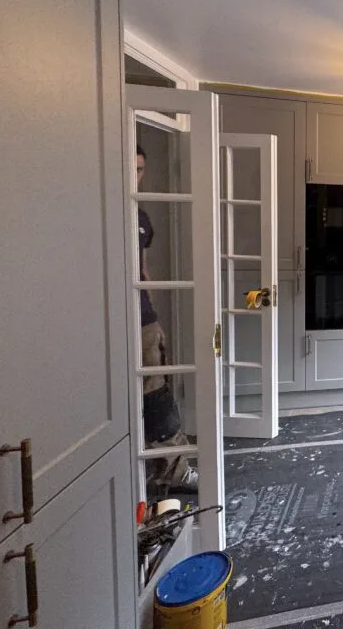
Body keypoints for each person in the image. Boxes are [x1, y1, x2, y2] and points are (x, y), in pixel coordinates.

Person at [137, 146, 198, 492]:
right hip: (105, 324)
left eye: (140, 169)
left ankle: (173, 470)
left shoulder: (141, 218)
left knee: (156, 394)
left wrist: (153, 317)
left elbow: (143, 271)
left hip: (142, 320)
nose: (135, 176)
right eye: (130, 168)